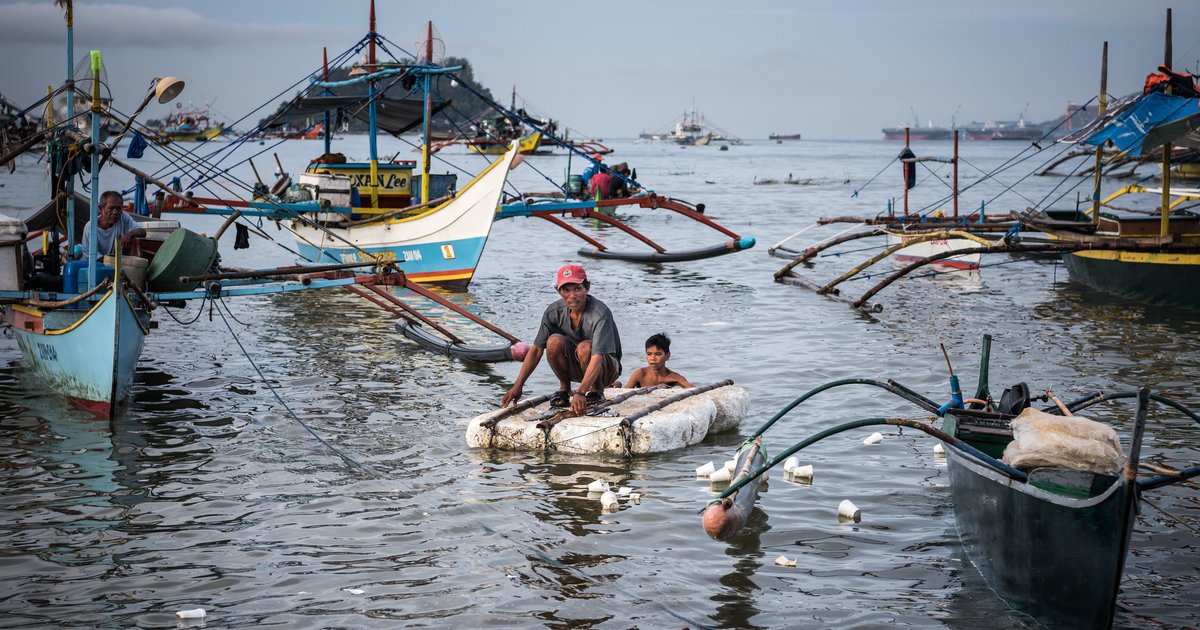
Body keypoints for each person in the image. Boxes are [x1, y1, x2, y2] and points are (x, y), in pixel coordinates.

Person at [501, 264, 622, 416]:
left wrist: (581, 392)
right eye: (566, 290)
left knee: (584, 347)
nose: (572, 295)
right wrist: (518, 385)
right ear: (559, 292)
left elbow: (597, 357)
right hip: (577, 367)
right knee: (553, 341)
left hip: (606, 369)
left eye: (577, 289)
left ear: (587, 288)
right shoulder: (553, 312)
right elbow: (537, 350)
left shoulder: (600, 313)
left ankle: (597, 391)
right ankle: (565, 388)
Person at [78, 190, 145, 260]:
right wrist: (112, 262)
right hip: (94, 264)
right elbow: (91, 255)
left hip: (114, 263)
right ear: (101, 208)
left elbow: (142, 231)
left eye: (118, 208)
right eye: (111, 208)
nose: (115, 212)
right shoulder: (90, 226)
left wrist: (129, 235)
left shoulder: (123, 217)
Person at [625, 333, 693, 388]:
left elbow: (694, 391)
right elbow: (625, 391)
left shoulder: (674, 378)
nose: (653, 358)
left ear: (667, 356)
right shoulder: (641, 374)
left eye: (658, 354)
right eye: (649, 354)